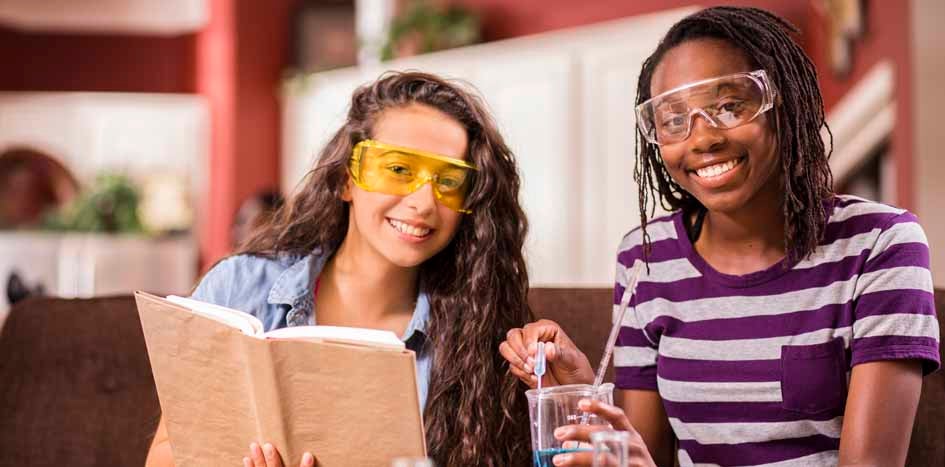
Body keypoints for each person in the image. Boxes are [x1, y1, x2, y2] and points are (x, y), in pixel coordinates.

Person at [500, 7, 939, 467]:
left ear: (783, 103)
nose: (702, 137)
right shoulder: (646, 258)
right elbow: (643, 456)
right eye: (673, 120)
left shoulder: (881, 244)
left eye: (729, 106)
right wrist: (581, 388)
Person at [146, 71, 533, 467]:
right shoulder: (238, 287)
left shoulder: (478, 328)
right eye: (399, 170)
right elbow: (164, 456)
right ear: (347, 179)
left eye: (449, 180)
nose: (423, 202)